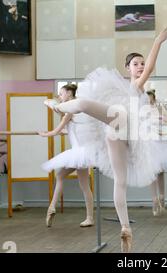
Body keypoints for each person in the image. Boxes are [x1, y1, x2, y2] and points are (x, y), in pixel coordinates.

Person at [52, 27, 167, 252]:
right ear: (127, 68)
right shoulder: (130, 86)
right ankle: (125, 227)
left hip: (128, 130)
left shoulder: (138, 87)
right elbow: (152, 68)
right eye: (136, 64)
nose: (141, 66)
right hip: (118, 131)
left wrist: (158, 42)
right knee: (120, 181)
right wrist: (158, 41)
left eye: (142, 63)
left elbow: (151, 69)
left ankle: (58, 106)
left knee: (85, 106)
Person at [39, 84, 94, 229]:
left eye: (61, 93)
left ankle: (52, 208)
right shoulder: (77, 109)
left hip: (78, 153)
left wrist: (44, 134)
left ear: (69, 93)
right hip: (81, 153)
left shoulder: (71, 109)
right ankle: (53, 208)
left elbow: (57, 130)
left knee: (68, 179)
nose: (59, 96)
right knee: (65, 177)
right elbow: (70, 128)